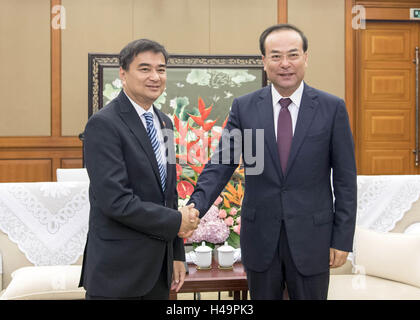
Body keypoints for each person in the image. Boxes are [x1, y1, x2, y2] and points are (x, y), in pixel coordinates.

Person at [188, 24, 357, 300]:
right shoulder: (245, 107)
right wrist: (194, 208)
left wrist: (342, 238)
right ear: (264, 61)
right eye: (276, 56)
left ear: (306, 57)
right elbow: (222, 163)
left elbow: (345, 179)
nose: (285, 64)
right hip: (260, 237)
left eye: (293, 55)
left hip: (312, 237)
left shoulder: (332, 108)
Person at [79, 39, 200, 300]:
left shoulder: (165, 122)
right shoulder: (103, 125)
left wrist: (176, 254)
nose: (155, 77)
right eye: (145, 69)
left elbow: (168, 196)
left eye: (161, 69)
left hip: (158, 269)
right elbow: (115, 201)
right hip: (118, 272)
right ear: (123, 74)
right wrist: (177, 221)